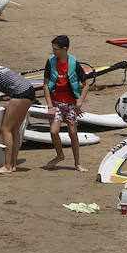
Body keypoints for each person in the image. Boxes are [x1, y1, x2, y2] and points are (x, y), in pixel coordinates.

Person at [42, 35, 89, 171]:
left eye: (55, 49)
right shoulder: (51, 62)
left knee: (73, 133)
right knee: (54, 131)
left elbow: (86, 84)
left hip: (71, 104)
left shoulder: (74, 63)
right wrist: (50, 106)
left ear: (64, 49)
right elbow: (45, 85)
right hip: (56, 103)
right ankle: (60, 155)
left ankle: (77, 163)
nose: (53, 52)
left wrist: (80, 101)